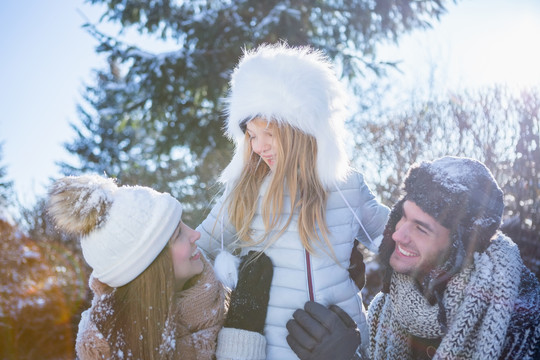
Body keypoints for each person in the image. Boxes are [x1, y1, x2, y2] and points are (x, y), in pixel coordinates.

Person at [197, 43, 389, 359]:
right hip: (272, 350)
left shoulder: (346, 186)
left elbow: (394, 237)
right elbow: (199, 248)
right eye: (250, 135)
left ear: (300, 127)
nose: (257, 146)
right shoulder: (246, 190)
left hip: (343, 345)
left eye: (267, 133)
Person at [286, 156, 540, 360]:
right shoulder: (390, 305)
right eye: (403, 216)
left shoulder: (520, 322)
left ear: (462, 245)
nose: (398, 234)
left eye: (421, 228)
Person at [47, 174, 274, 360]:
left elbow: (217, 227)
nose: (194, 234)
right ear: (151, 269)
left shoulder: (196, 284)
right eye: (178, 235)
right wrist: (242, 333)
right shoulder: (114, 350)